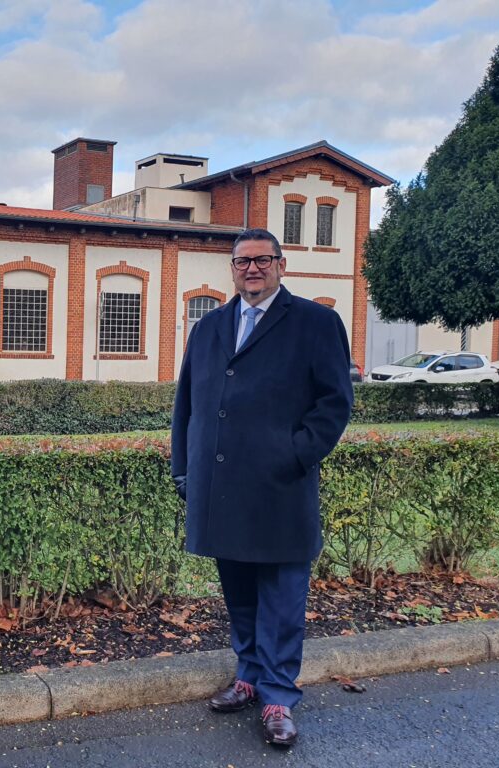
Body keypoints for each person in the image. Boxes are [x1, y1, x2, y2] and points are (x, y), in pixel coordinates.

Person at [170, 228, 353, 747]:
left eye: (262, 260)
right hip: (221, 487)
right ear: (232, 269)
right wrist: (184, 468)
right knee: (241, 594)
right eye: (242, 261)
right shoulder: (209, 327)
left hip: (279, 487)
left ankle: (278, 695)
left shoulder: (317, 323)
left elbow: (334, 404)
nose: (252, 269)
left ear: (281, 264)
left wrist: (293, 455)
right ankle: (248, 676)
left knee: (282, 596)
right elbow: (188, 404)